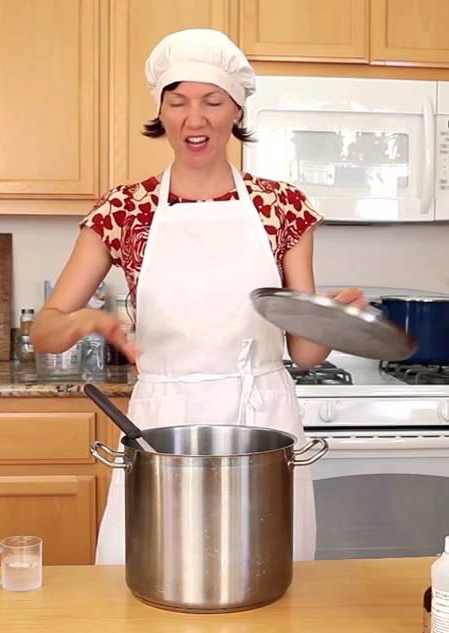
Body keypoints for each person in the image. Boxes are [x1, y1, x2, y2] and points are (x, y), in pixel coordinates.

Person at [32, 28, 365, 565]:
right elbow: (45, 331)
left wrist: (332, 321)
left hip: (263, 421)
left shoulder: (283, 208)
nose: (196, 118)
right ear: (160, 112)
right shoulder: (125, 210)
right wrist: (89, 320)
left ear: (236, 110)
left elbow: (304, 353)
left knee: (264, 573)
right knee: (156, 569)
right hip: (164, 421)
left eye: (213, 101)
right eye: (178, 101)